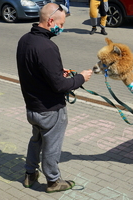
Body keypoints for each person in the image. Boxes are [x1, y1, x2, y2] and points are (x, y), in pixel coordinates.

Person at [16, 3, 92, 193]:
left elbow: (35, 70)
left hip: (32, 108)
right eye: (61, 23)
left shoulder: (25, 40)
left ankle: (29, 174)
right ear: (51, 21)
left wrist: (58, 72)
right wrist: (81, 78)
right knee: (52, 146)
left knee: (36, 141)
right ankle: (53, 181)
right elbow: (59, 86)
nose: (62, 27)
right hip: (50, 110)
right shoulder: (48, 47)